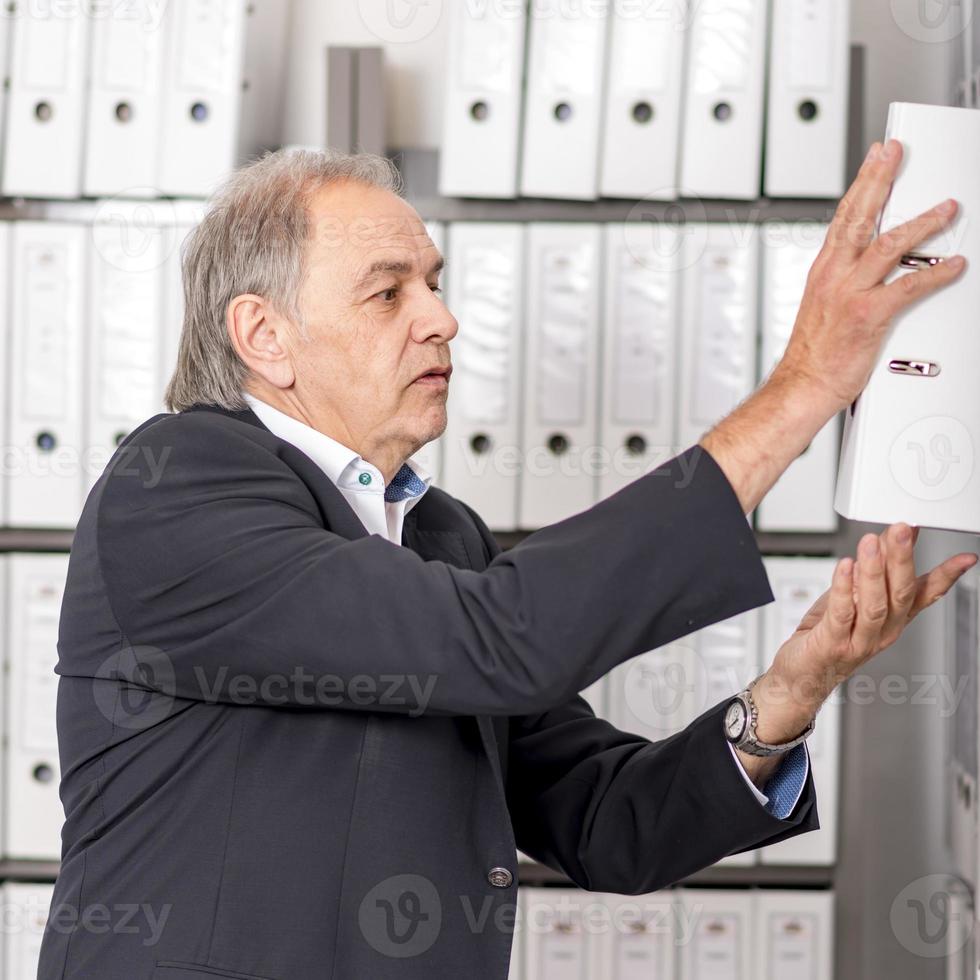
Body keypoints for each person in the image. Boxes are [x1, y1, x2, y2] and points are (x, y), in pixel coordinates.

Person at [40, 140, 976, 980]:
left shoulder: (443, 533)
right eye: (389, 290)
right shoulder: (174, 490)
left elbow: (606, 822)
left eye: (436, 284)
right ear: (264, 337)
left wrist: (789, 693)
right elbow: (499, 637)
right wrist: (806, 386)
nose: (442, 319)